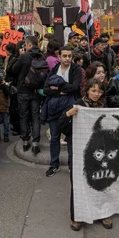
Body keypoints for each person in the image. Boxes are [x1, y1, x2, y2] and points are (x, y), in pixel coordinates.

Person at [60, 78, 113, 231]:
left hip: (100, 151)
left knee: (102, 180)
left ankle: (102, 212)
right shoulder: (78, 105)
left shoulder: (105, 106)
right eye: (94, 90)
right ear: (87, 90)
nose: (97, 94)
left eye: (100, 91)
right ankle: (77, 216)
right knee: (79, 182)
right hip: (80, 151)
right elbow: (62, 127)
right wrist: (67, 115)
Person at [43, 45, 83, 177]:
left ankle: (72, 166)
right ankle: (54, 165)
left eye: (69, 56)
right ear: (59, 57)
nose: (67, 58)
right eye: (64, 56)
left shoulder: (76, 69)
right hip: (54, 108)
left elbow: (74, 87)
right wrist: (61, 90)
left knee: (70, 138)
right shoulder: (55, 68)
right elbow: (46, 89)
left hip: (70, 108)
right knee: (54, 137)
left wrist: (57, 87)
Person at [9, 35, 44, 153]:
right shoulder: (41, 56)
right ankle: (35, 143)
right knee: (35, 117)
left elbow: (12, 70)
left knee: (23, 116)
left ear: (29, 45)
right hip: (36, 91)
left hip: (23, 91)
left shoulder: (24, 57)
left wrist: (18, 56)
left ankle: (25, 142)